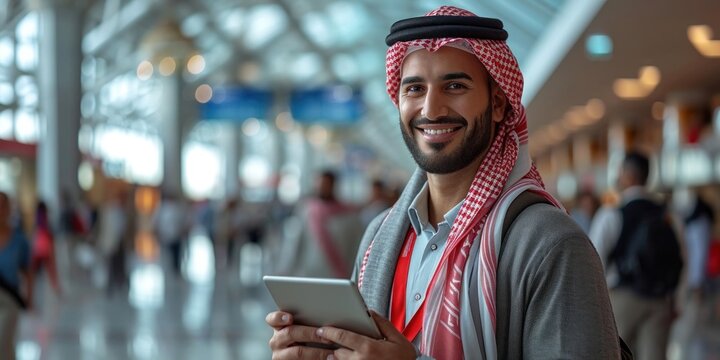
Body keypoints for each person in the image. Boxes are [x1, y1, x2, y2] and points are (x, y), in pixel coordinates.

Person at [267, 6, 620, 359]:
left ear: (498, 104)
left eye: (454, 86)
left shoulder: (549, 244)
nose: (431, 109)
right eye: (415, 89)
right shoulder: (379, 236)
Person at [589, 151, 679, 360]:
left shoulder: (612, 214)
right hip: (660, 299)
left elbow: (593, 260)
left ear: (629, 176)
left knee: (614, 354)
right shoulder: (667, 215)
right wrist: (676, 300)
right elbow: (681, 257)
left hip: (621, 297)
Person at [276, 170, 363, 278]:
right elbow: (293, 244)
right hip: (308, 274)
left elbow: (356, 246)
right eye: (320, 183)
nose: (323, 187)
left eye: (327, 184)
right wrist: (285, 270)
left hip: (338, 275)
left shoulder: (348, 216)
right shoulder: (305, 211)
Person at [0, 192, 33, 360]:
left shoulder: (19, 240)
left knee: (2, 340)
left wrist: (29, 296)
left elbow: (27, 271)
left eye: (3, 206)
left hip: (9, 300)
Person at [30, 201, 62, 297]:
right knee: (51, 269)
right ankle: (56, 287)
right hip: (45, 244)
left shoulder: (38, 217)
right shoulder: (44, 217)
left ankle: (31, 289)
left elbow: (36, 230)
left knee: (34, 270)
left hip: (39, 245)